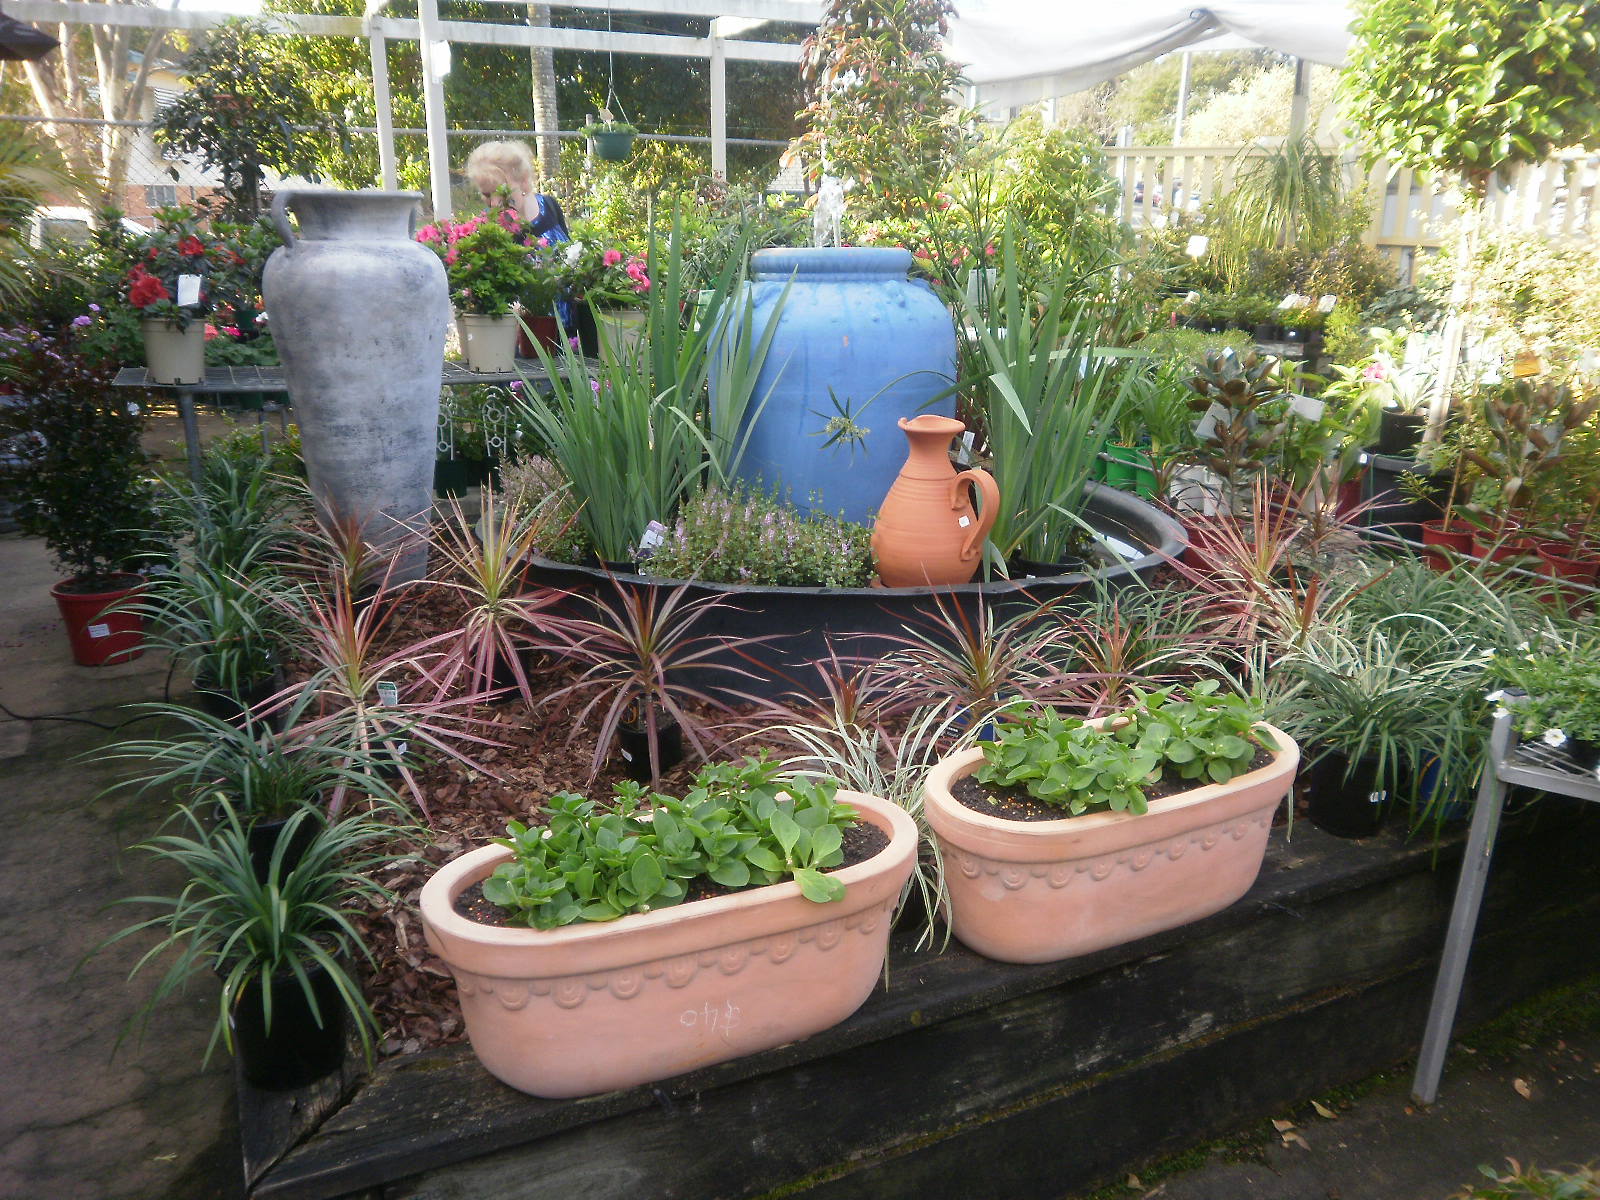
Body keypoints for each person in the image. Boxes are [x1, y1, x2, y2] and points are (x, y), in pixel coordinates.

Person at [462, 139, 596, 354]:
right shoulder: (490, 228)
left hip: (566, 335)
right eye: (487, 195)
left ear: (524, 181)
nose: (495, 203)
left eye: (503, 192)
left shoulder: (550, 207)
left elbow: (570, 259)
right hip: (519, 343)